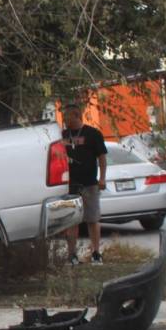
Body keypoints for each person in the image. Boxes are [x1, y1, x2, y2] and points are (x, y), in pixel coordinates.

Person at [61, 104, 108, 265]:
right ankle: (72, 255)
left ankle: (96, 253)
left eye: (66, 116)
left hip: (89, 183)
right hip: (69, 184)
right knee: (72, 220)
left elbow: (102, 157)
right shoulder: (62, 135)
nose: (64, 120)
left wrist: (102, 178)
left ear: (76, 115)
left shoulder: (93, 134)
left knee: (92, 219)